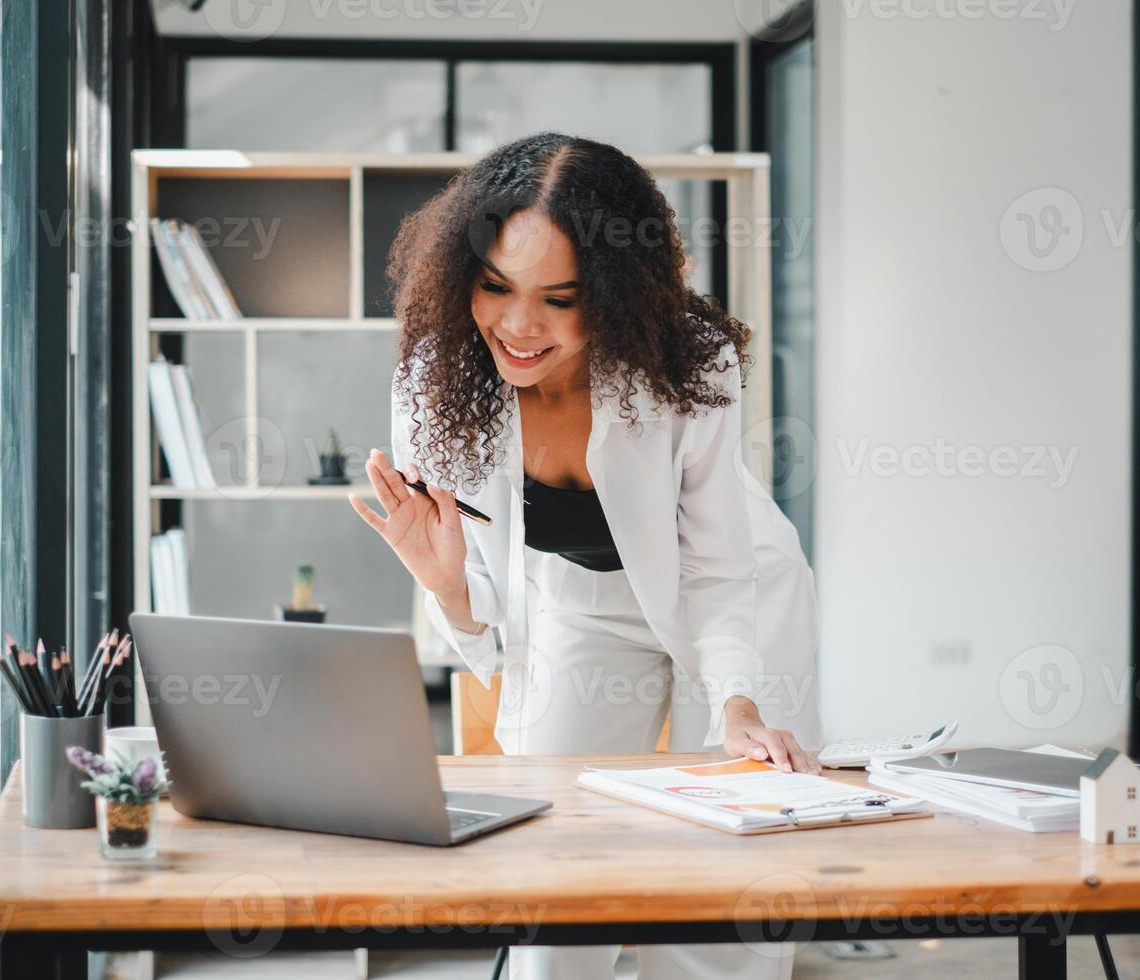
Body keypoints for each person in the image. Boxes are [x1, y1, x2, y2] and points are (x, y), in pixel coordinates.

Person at [351, 132, 821, 980]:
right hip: (575, 600)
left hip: (736, 593)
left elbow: (716, 568)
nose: (519, 326)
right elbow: (482, 609)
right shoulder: (432, 384)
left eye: (559, 299)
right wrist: (449, 587)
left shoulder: (689, 364)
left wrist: (740, 703)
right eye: (495, 287)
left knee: (723, 872)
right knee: (559, 863)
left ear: (612, 293)